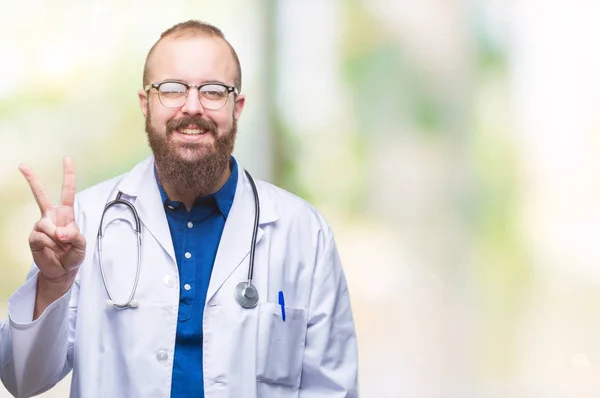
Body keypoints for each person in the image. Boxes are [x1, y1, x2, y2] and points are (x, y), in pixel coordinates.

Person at [0, 20, 358, 398]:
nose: (192, 106)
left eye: (214, 91)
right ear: (146, 104)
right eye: (171, 89)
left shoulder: (303, 232)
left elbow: (332, 389)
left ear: (237, 107)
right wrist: (53, 283)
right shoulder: (86, 225)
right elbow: (23, 379)